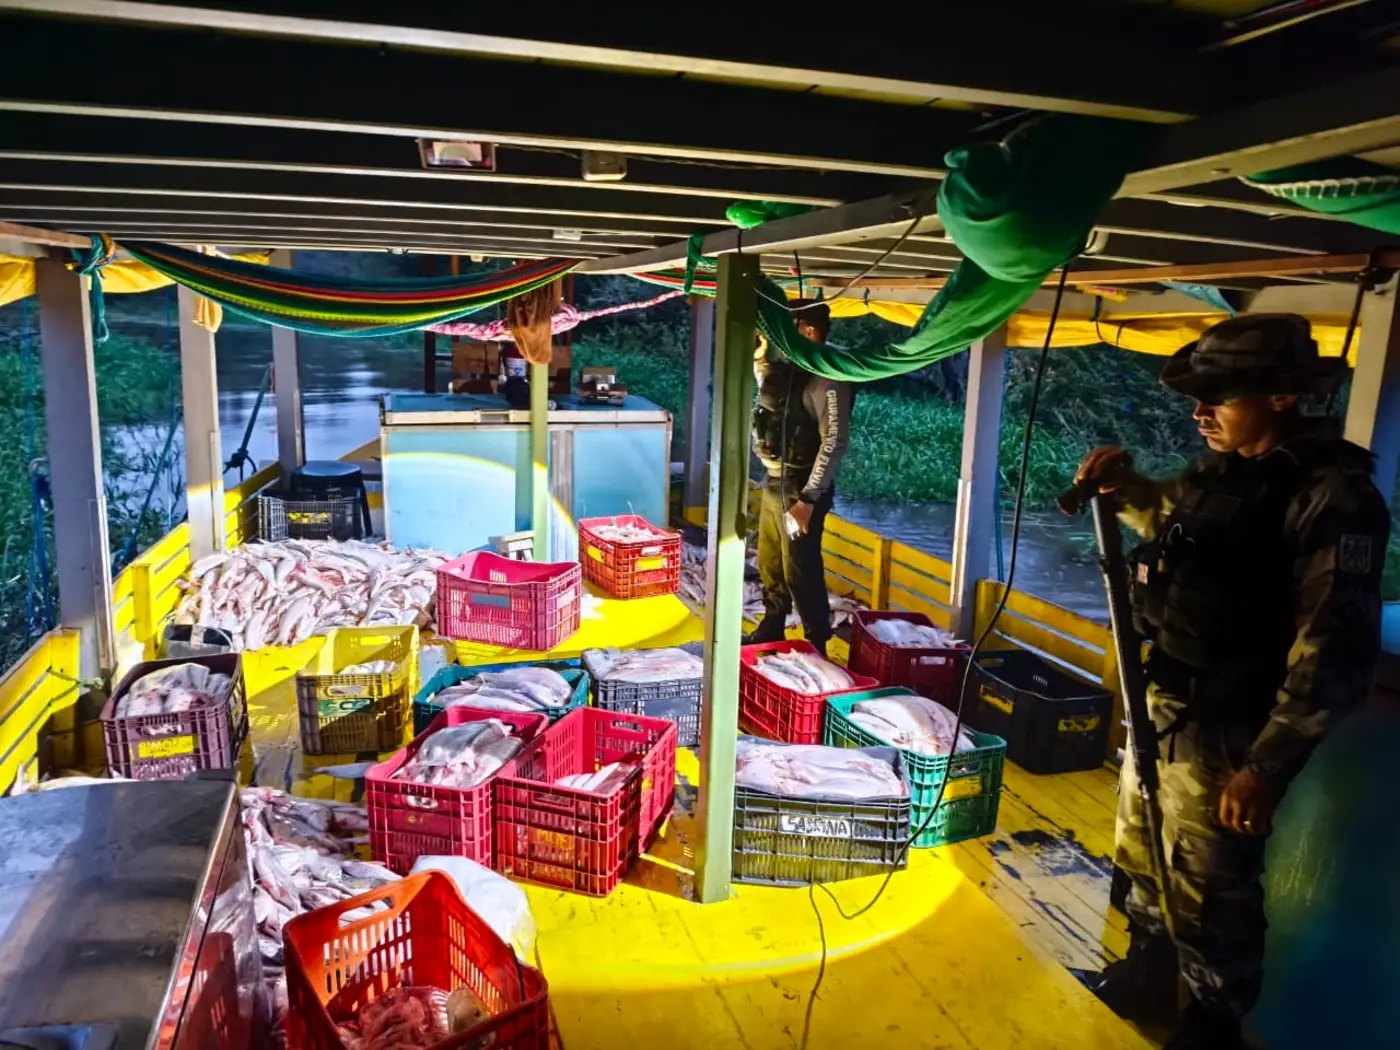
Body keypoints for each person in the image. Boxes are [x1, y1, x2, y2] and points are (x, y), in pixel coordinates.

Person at [1072, 314, 1389, 1049]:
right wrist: (1125, 488)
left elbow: (1334, 645)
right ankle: (1147, 972)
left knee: (1212, 886)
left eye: (1218, 396)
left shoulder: (1332, 495)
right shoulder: (1219, 474)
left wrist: (1266, 767)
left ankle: (1214, 1024)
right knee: (1145, 851)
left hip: (1231, 726)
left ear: (1282, 397)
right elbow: (1171, 523)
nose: (1199, 411)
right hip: (1166, 704)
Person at [746, 302, 853, 656]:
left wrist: (808, 499)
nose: (780, 341)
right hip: (774, 481)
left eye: (785, 332)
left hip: (799, 489)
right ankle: (773, 622)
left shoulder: (829, 378)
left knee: (799, 566)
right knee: (770, 560)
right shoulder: (793, 367)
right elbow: (773, 397)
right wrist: (760, 359)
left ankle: (816, 640)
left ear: (808, 332)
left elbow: (833, 441)